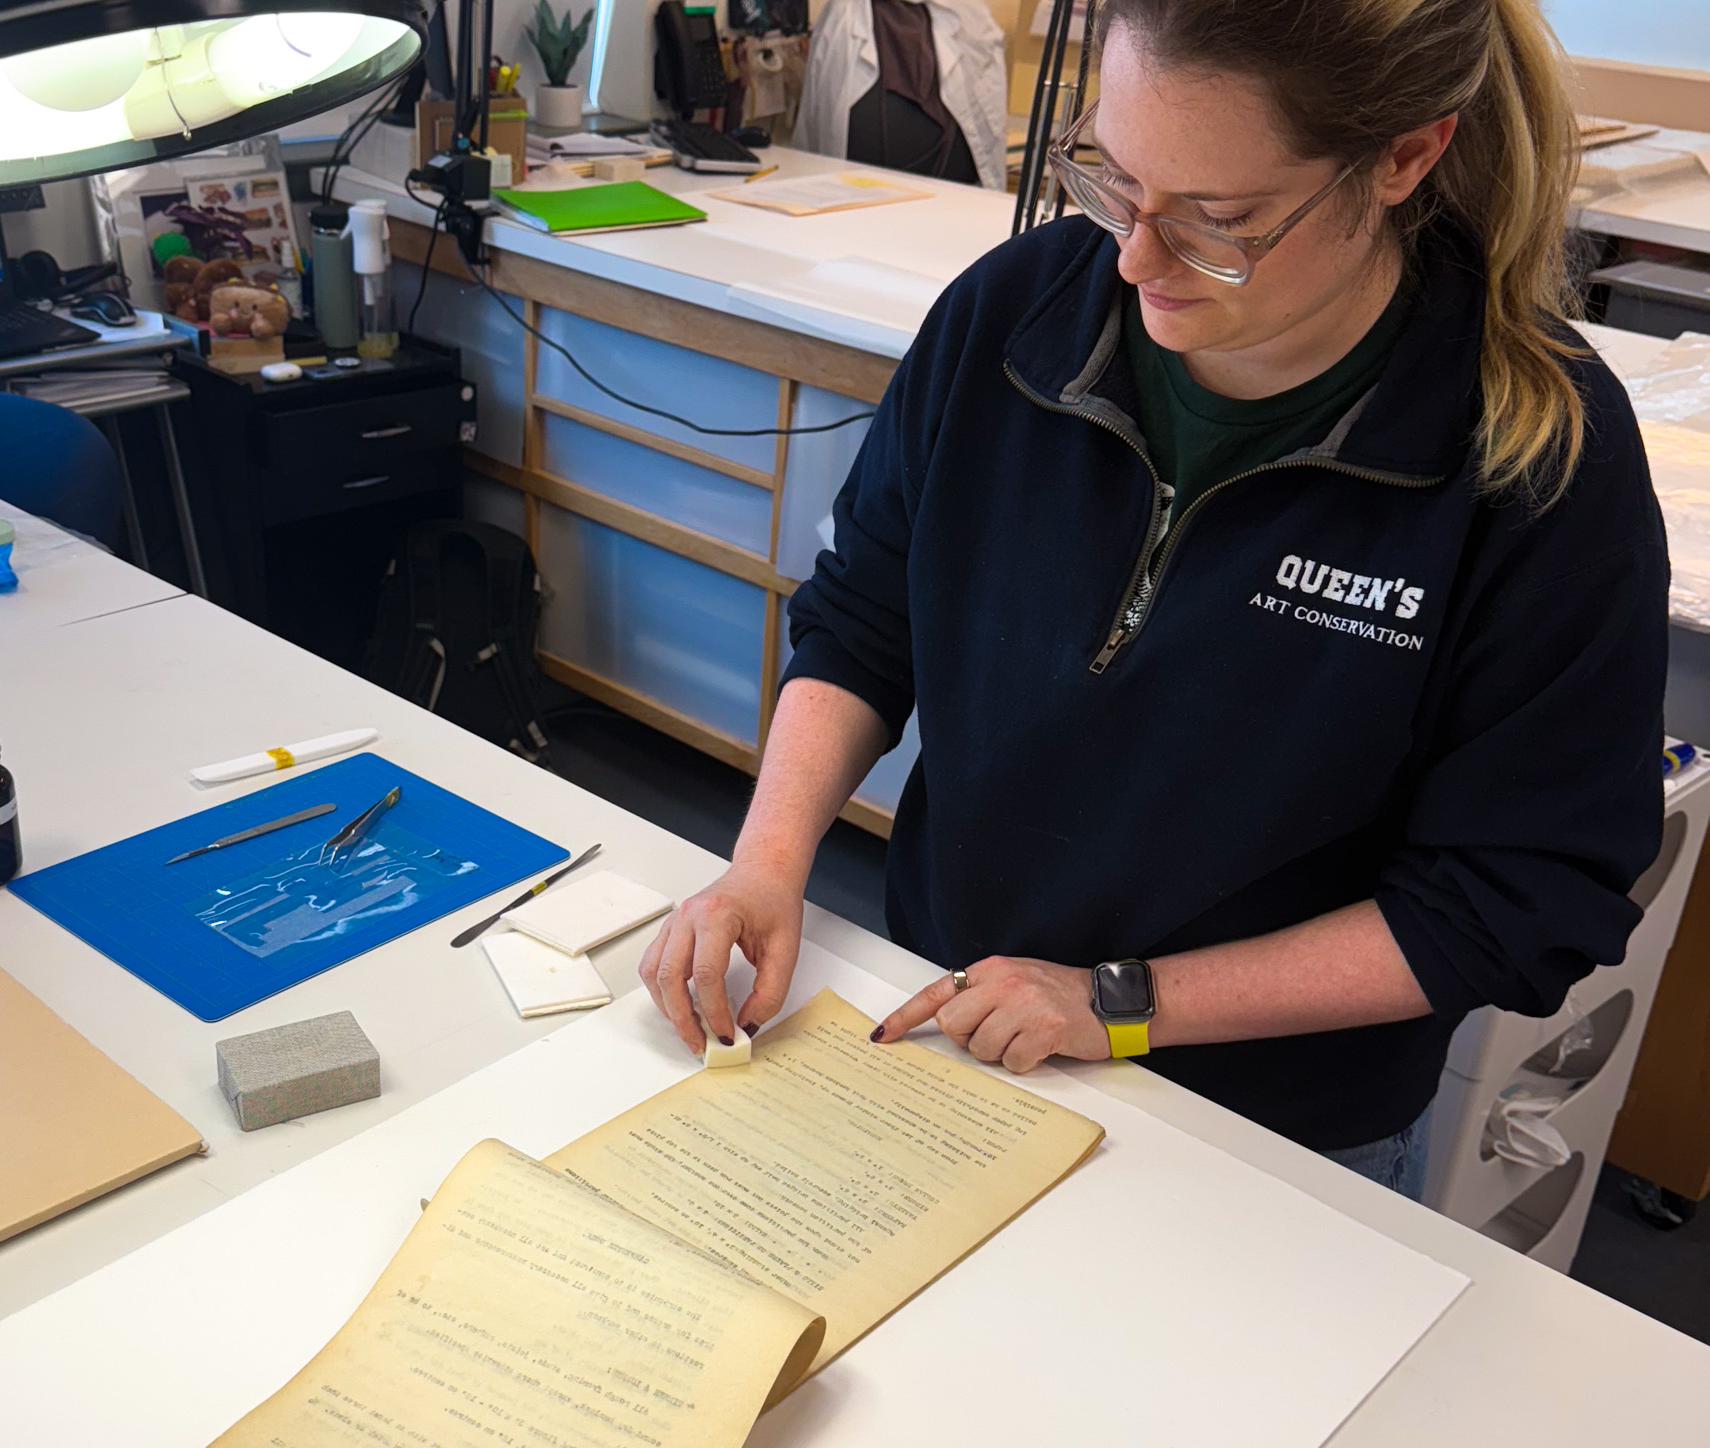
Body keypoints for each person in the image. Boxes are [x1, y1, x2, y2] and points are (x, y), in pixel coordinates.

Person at [640, 0, 1667, 1201]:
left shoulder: (1531, 455)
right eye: (1112, 181)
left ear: (1404, 157)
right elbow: (868, 615)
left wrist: (1117, 1004)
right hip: (946, 1025)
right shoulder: (1012, 314)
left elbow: (1515, 893)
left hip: (1270, 1138)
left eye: (1217, 222)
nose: (1132, 261)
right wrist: (764, 864)